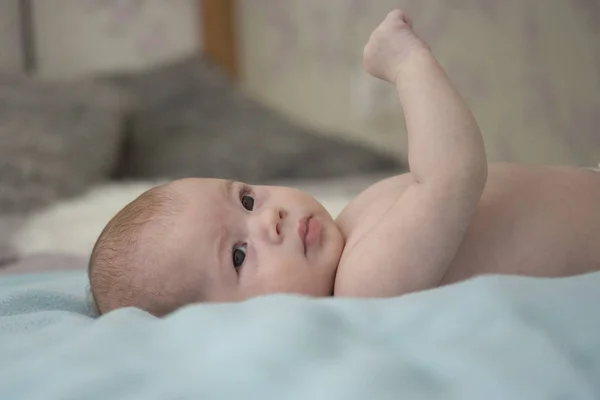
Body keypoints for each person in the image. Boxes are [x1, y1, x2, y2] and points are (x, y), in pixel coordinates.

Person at [89, 9, 600, 317]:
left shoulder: (351, 228)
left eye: (246, 199)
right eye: (239, 256)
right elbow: (454, 174)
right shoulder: (366, 281)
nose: (269, 219)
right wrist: (407, 65)